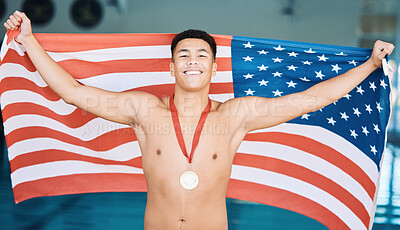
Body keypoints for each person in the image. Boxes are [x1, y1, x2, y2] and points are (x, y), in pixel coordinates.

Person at [4, 11, 394, 230]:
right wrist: (30, 41)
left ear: (212, 65)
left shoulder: (236, 115)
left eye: (202, 55)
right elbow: (74, 93)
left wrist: (371, 65)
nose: (193, 61)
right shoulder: (144, 111)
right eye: (185, 55)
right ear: (171, 66)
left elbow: (311, 98)